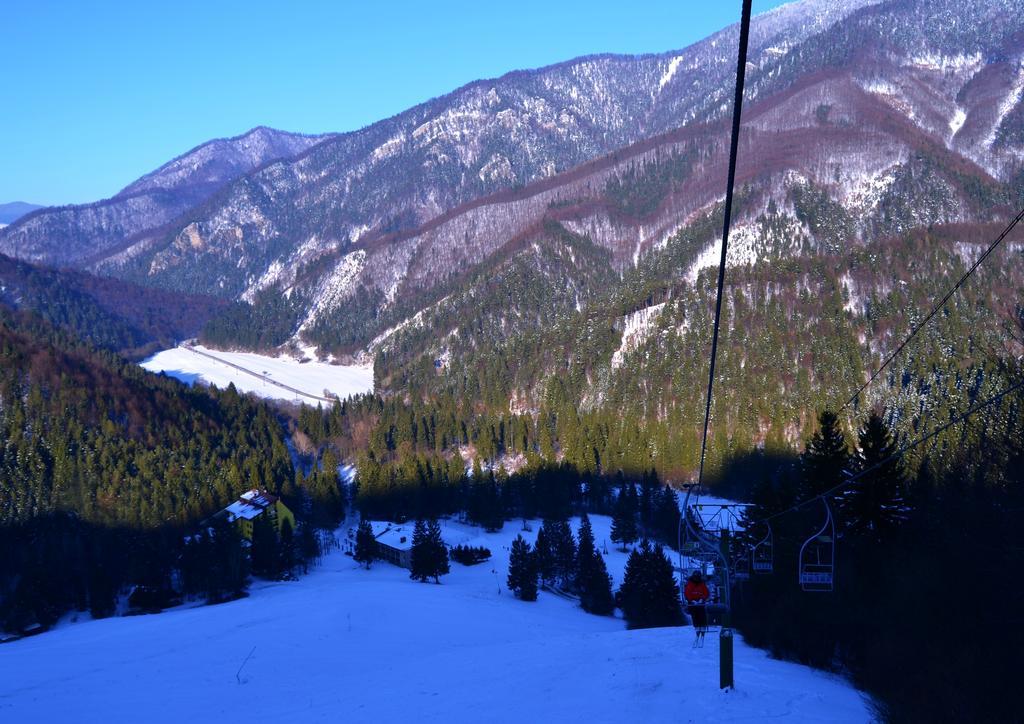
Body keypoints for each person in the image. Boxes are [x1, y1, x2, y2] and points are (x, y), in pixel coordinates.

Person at [684, 570, 710, 638]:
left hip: (700, 603)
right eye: (696, 577)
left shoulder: (702, 584)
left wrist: (702, 599)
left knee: (702, 614)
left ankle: (702, 627)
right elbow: (687, 593)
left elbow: (706, 593)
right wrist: (692, 600)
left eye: (698, 577)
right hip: (693, 603)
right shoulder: (690, 584)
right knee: (695, 615)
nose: (697, 579)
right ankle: (697, 627)